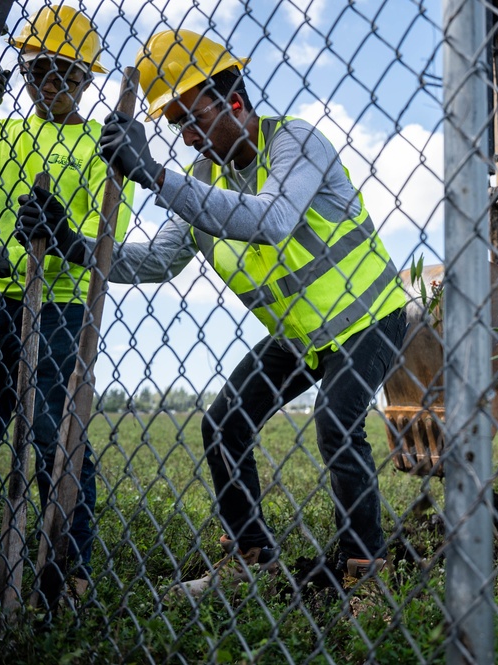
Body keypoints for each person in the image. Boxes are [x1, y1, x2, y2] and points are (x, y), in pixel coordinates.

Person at [79, 29, 406, 598]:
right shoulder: (204, 179)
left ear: (233, 102)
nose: (186, 140)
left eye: (191, 118)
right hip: (302, 337)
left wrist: (155, 176)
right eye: (174, 126)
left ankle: (367, 574)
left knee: (335, 418)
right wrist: (76, 247)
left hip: (370, 318)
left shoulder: (295, 142)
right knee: (224, 424)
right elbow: (159, 259)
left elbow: (273, 217)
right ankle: (252, 559)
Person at [0, 4, 131, 594]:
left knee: (55, 434)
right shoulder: (1, 126)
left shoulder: (101, 147)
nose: (51, 85)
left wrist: (23, 253)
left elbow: (103, 238)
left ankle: (68, 566)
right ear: (24, 74)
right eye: (39, 72)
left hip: (59, 306)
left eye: (67, 74)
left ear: (87, 79)